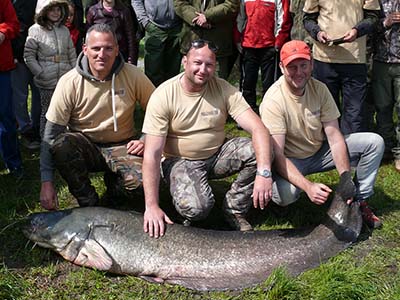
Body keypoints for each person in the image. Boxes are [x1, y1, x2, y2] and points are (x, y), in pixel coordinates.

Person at [141, 39, 273, 238]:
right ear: (185, 62)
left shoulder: (223, 88)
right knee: (198, 209)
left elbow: (259, 128)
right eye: (197, 63)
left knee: (261, 150)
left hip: (216, 154)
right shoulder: (163, 96)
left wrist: (264, 173)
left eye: (209, 64)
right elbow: (151, 154)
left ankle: (234, 209)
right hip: (181, 160)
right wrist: (151, 206)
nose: (203, 69)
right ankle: (183, 203)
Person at [260, 40, 385, 229]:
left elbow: (334, 137)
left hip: (319, 151)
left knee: (374, 142)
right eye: (292, 67)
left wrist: (344, 177)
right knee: (286, 195)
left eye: (303, 65)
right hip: (291, 160)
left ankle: (359, 201)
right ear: (281, 67)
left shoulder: (320, 89)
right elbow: (277, 155)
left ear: (311, 63)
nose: (299, 72)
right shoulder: (273, 100)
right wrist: (308, 186)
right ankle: (278, 205)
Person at [39, 23, 155, 210]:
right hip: (86, 146)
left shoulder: (133, 75)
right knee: (60, 144)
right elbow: (50, 135)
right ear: (85, 49)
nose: (102, 54)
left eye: (108, 48)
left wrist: (146, 137)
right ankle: (87, 201)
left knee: (142, 184)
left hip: (122, 144)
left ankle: (115, 190)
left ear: (117, 50)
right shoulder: (69, 82)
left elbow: (159, 111)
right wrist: (47, 183)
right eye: (96, 48)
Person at [303, 0, 380, 135]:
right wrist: (317, 33)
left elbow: (373, 17)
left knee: (354, 115)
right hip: (324, 59)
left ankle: (351, 153)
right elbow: (308, 19)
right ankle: (328, 153)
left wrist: (357, 30)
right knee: (325, 113)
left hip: (354, 59)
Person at [24, 0, 77, 138]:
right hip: (46, 80)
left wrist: (74, 73)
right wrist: (40, 72)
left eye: (58, 10)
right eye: (51, 9)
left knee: (67, 110)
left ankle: (66, 142)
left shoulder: (64, 30)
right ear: (43, 11)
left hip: (65, 78)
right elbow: (29, 56)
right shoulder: (35, 30)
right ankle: (46, 142)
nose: (55, 13)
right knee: (47, 112)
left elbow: (71, 53)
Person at [236, 0, 292, 114]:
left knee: (269, 83)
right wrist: (238, 39)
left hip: (269, 46)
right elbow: (240, 18)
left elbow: (283, 20)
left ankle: (268, 111)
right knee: (248, 82)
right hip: (249, 46)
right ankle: (248, 112)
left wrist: (278, 41)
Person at [174, 0, 239, 80]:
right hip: (191, 40)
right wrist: (196, 18)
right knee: (187, 83)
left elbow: (232, 4)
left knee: (217, 85)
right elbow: (179, 3)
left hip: (217, 44)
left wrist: (207, 16)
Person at [371, 0, 400, 171]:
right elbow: (368, 28)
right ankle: (387, 148)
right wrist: (385, 22)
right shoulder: (377, 2)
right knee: (382, 108)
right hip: (381, 61)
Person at [11, 0, 41, 150]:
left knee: (38, 93)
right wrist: (13, 52)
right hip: (17, 53)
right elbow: (10, 23)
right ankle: (25, 129)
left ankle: (36, 126)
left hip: (39, 53)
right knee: (20, 95)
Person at [132, 0, 182, 87]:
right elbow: (136, 1)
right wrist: (145, 22)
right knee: (153, 70)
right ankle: (152, 97)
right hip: (154, 28)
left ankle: (170, 97)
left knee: (173, 71)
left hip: (176, 28)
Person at [0, 0, 23, 179]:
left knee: (5, 117)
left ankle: (13, 162)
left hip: (1, 68)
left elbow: (14, 24)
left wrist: (2, 32)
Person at [86, 0, 137, 65]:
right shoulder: (93, 11)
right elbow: (88, 36)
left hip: (120, 55)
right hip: (99, 55)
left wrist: (131, 59)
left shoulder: (124, 11)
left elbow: (130, 37)